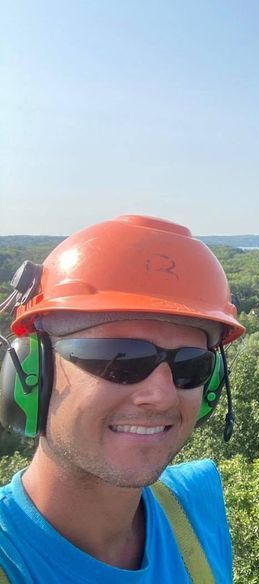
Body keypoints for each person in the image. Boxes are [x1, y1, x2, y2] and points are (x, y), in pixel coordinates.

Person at [0, 215, 245, 583]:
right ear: (32, 375)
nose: (161, 396)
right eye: (121, 359)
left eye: (190, 366)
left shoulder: (197, 504)